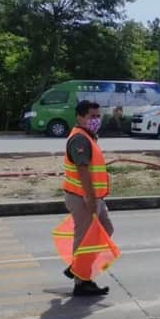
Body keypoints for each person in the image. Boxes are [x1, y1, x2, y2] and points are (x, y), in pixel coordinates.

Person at [63, 100, 114, 297]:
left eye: (98, 116)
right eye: (92, 116)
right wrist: (90, 199)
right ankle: (82, 282)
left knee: (106, 229)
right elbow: (82, 170)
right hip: (83, 198)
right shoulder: (80, 139)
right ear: (80, 117)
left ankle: (77, 267)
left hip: (94, 197)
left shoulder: (89, 137)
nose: (96, 120)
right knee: (84, 239)